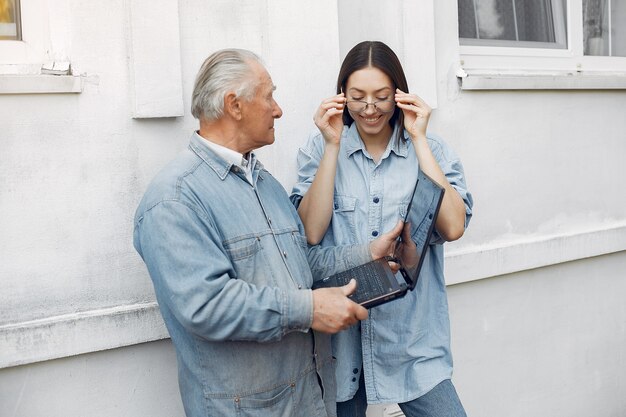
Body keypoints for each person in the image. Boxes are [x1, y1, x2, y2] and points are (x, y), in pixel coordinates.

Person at [133, 48, 404, 417]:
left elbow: (302, 260)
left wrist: (369, 252)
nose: (278, 110)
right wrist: (309, 309)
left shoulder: (264, 182)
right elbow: (207, 305)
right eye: (269, 96)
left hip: (308, 400)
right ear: (235, 105)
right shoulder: (174, 199)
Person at [290, 41, 474, 417]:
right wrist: (331, 146)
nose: (370, 109)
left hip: (413, 338)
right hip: (341, 345)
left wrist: (420, 137)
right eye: (357, 97)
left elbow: (454, 226)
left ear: (400, 96)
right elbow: (309, 231)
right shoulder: (319, 148)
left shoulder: (432, 149)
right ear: (341, 96)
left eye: (382, 97)